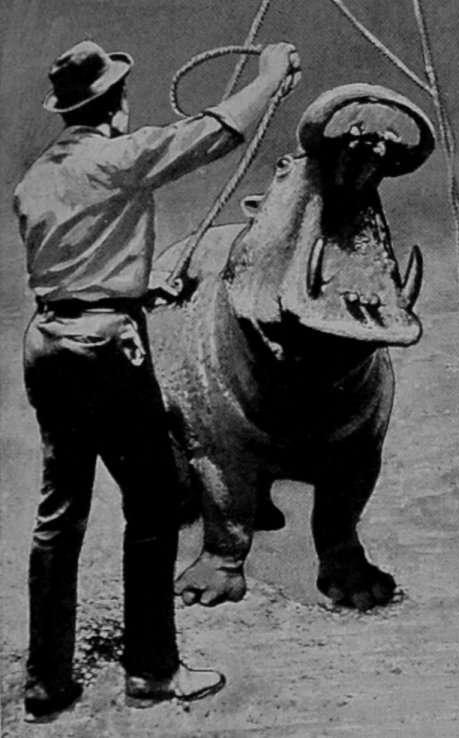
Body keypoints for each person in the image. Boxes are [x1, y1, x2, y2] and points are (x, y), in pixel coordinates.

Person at [14, 39, 301, 720]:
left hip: (48, 342)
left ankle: (46, 686)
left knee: (60, 515)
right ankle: (152, 673)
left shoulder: (34, 180)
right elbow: (216, 133)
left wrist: (136, 289)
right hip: (107, 348)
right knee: (150, 509)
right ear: (113, 103)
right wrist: (269, 77)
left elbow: (77, 260)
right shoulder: (116, 157)